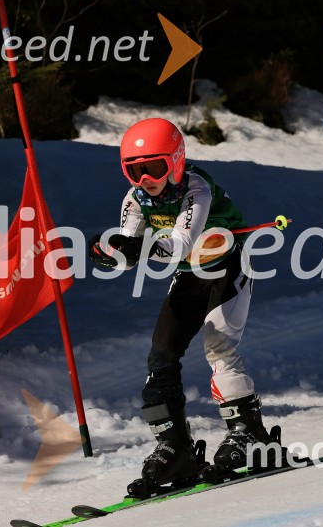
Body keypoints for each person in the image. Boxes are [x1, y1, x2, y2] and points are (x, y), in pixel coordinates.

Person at [87, 117, 275, 496]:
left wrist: (133, 249)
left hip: (227, 266)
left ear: (175, 161)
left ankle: (250, 436)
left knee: (218, 345)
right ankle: (176, 449)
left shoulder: (196, 189)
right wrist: (111, 254)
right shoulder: (135, 198)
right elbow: (131, 247)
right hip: (190, 275)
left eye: (153, 168)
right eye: (133, 170)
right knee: (161, 356)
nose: (144, 179)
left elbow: (178, 245)